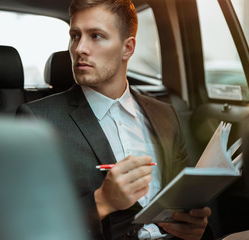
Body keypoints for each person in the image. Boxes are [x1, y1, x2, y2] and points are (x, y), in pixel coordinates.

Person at [17, 0, 212, 239]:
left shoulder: (166, 115)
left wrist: (196, 227)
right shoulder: (38, 121)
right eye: (75, 36)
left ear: (127, 48)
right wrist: (101, 202)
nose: (79, 48)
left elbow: (186, 202)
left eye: (96, 36)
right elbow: (26, 223)